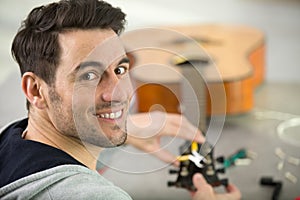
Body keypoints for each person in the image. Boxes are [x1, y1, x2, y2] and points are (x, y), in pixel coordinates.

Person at [0, 0, 241, 199]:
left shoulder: (9, 141)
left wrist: (125, 126)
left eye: (120, 70)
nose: (119, 94)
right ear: (35, 90)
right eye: (90, 75)